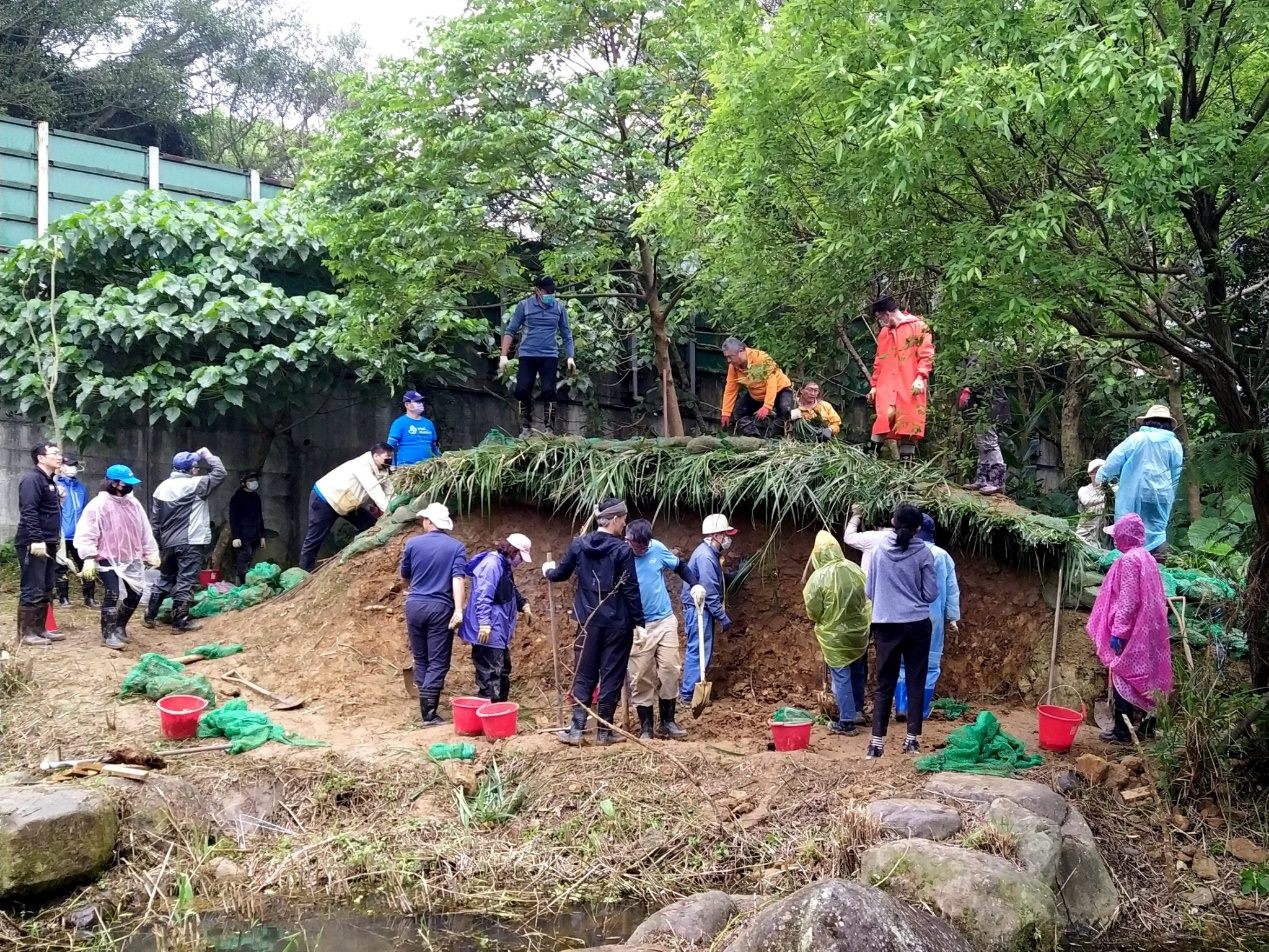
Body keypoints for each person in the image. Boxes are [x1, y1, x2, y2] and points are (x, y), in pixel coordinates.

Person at [543, 497, 644, 746]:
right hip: (618, 624)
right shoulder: (622, 551)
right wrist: (640, 623)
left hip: (588, 622)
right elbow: (631, 588)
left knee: (584, 673)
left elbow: (560, 574)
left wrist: (548, 570)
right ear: (615, 519)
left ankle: (576, 729)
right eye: (623, 519)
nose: (625, 523)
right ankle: (604, 731)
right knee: (612, 674)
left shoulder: (579, 545)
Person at [1087, 513, 1174, 744]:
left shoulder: (1128, 561)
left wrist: (1118, 631)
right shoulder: (1148, 558)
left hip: (1133, 631)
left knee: (1123, 676)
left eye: (1117, 534)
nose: (1115, 539)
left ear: (1126, 535)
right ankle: (1147, 727)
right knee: (1147, 678)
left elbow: (1127, 600)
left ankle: (1122, 731)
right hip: (1150, 629)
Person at [865, 503, 939, 758]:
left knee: (884, 683)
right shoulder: (924, 554)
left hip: (886, 624)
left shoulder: (878, 550)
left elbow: (869, 590)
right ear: (919, 528)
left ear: (893, 522)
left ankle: (876, 744)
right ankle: (912, 742)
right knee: (915, 681)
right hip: (918, 624)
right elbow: (931, 594)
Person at [624, 518, 704, 740]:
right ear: (627, 539)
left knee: (670, 669)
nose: (639, 549)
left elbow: (680, 567)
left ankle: (667, 722)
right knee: (641, 676)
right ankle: (646, 727)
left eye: (643, 545)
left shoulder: (657, 549)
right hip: (638, 626)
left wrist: (695, 584)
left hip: (665, 620)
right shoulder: (621, 556)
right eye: (635, 545)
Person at [74, 465, 161, 651]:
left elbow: (144, 529)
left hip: (131, 556)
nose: (129, 486)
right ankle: (108, 634)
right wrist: (88, 556)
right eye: (125, 483)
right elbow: (87, 532)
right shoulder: (98, 505)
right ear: (114, 483)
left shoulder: (133, 504)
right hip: (106, 556)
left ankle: (120, 626)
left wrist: (150, 551)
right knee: (112, 593)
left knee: (136, 592)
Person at [143, 447, 227, 632]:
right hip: (190, 541)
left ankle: (149, 615)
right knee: (186, 580)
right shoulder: (196, 484)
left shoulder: (161, 488)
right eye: (196, 467)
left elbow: (155, 521)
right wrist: (208, 454)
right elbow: (220, 473)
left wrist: (156, 544)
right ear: (190, 469)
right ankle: (180, 622)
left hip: (168, 543)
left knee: (165, 578)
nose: (197, 470)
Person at [401, 503, 469, 726]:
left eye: (424, 519)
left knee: (421, 658)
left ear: (430, 522)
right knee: (438, 661)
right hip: (440, 608)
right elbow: (458, 579)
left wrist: (413, 589)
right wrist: (459, 610)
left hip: (414, 605)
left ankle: (426, 707)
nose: (422, 523)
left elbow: (406, 575)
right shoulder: (456, 547)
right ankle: (428, 714)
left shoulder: (412, 543)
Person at [802, 531, 872, 736]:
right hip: (859, 633)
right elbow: (867, 596)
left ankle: (846, 721)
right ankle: (857, 710)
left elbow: (813, 610)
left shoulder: (817, 578)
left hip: (834, 637)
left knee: (841, 676)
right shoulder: (855, 569)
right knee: (858, 671)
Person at [895, 514, 961, 722]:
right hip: (932, 618)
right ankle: (920, 711)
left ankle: (902, 707)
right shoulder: (942, 556)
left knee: (903, 664)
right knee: (929, 666)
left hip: (902, 616)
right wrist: (952, 617)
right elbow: (951, 590)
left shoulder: (902, 550)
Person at [1097, 405, 1184, 556]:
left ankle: (1128, 566)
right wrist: (1171, 494)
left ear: (1147, 421)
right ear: (1168, 423)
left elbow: (1115, 460)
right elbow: (1176, 474)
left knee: (1129, 530)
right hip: (1162, 496)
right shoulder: (1174, 444)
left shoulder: (1137, 438)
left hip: (1134, 492)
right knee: (1157, 532)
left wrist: (1101, 478)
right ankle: (1156, 566)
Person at [458, 533, 533, 704]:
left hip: (498, 629)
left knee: (503, 669)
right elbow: (482, 595)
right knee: (490, 672)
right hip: (488, 629)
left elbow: (510, 588)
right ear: (513, 551)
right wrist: (484, 623)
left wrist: (523, 604)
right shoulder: (492, 565)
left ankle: (501, 707)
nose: (520, 561)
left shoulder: (504, 565)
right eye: (521, 557)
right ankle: (490, 710)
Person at [499, 276, 577, 438]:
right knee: (522, 389)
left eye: (552, 292)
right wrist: (503, 356)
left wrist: (570, 356)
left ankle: (549, 429)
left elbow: (566, 334)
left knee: (549, 390)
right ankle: (526, 427)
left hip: (549, 355)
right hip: (527, 354)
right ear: (538, 291)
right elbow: (511, 330)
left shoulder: (558, 308)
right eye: (547, 292)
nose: (550, 295)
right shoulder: (524, 306)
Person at [298, 443, 394, 571]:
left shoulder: (382, 467)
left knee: (370, 525)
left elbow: (389, 491)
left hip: (347, 501)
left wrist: (395, 505)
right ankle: (304, 573)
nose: (390, 460)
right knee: (314, 539)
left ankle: (365, 559)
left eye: (391, 457)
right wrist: (389, 511)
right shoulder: (362, 466)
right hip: (326, 499)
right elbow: (375, 491)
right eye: (387, 457)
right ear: (376, 456)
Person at [678, 514, 736, 710]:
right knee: (698, 651)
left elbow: (715, 580)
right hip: (698, 610)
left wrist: (730, 576)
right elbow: (710, 592)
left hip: (701, 609)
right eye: (726, 534)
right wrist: (723, 617)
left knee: (703, 651)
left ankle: (690, 693)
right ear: (717, 536)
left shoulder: (710, 555)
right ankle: (687, 696)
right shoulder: (705, 557)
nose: (728, 538)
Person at [868, 296, 934, 465]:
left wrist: (920, 377)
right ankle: (869, 461)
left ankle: (906, 467)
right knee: (884, 417)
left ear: (887, 314)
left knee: (909, 421)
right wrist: (874, 386)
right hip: (886, 383)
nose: (880, 322)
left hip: (910, 382)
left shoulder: (919, 326)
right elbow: (879, 361)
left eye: (879, 318)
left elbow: (926, 355)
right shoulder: (885, 333)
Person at [15, 441, 65, 647]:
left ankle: (40, 629)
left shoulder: (49, 481)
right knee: (32, 586)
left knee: (46, 586)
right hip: (34, 542)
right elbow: (29, 511)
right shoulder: (32, 480)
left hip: (49, 542)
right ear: (41, 458)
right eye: (54, 453)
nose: (59, 456)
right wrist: (36, 538)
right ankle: (26, 633)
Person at [719, 338, 794, 437]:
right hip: (757, 395)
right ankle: (755, 438)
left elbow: (771, 382)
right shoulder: (733, 367)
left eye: (730, 357)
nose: (728, 361)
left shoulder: (761, 358)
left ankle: (773, 439)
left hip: (779, 390)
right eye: (726, 357)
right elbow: (730, 389)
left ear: (741, 351)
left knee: (785, 410)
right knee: (739, 411)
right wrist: (726, 412)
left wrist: (767, 406)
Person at [958, 374, 1011, 495]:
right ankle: (983, 479)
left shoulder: (986, 358)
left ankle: (997, 482)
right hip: (981, 403)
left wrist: (968, 388)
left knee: (989, 442)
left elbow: (983, 376)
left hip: (991, 403)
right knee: (981, 442)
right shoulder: (974, 358)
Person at [55, 452, 95, 607]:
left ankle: (89, 598)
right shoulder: (57, 486)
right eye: (69, 465)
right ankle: (63, 598)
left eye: (74, 465)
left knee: (86, 565)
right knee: (60, 568)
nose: (72, 468)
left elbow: (86, 510)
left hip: (80, 535)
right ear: (61, 467)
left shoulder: (81, 488)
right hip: (62, 534)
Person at [228, 471, 266, 584]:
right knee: (243, 558)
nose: (254, 483)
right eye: (250, 481)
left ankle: (245, 582)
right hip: (243, 534)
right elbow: (233, 518)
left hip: (255, 534)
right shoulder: (237, 498)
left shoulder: (256, 497)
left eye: (255, 480)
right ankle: (241, 583)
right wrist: (236, 536)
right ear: (243, 483)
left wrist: (262, 536)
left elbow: (260, 517)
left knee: (249, 559)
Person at [386, 390, 439, 466]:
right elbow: (390, 446)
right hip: (406, 468)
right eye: (417, 402)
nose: (421, 404)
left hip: (428, 467)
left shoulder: (429, 423)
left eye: (421, 402)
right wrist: (393, 465)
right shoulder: (399, 423)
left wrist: (440, 460)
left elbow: (434, 446)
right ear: (407, 405)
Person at [1075, 458, 1109, 547]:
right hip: (1087, 534)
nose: (1098, 475)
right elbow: (1087, 501)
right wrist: (1106, 497)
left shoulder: (1112, 489)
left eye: (1101, 471)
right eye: (1095, 472)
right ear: (1090, 474)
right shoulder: (1084, 490)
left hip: (1105, 534)